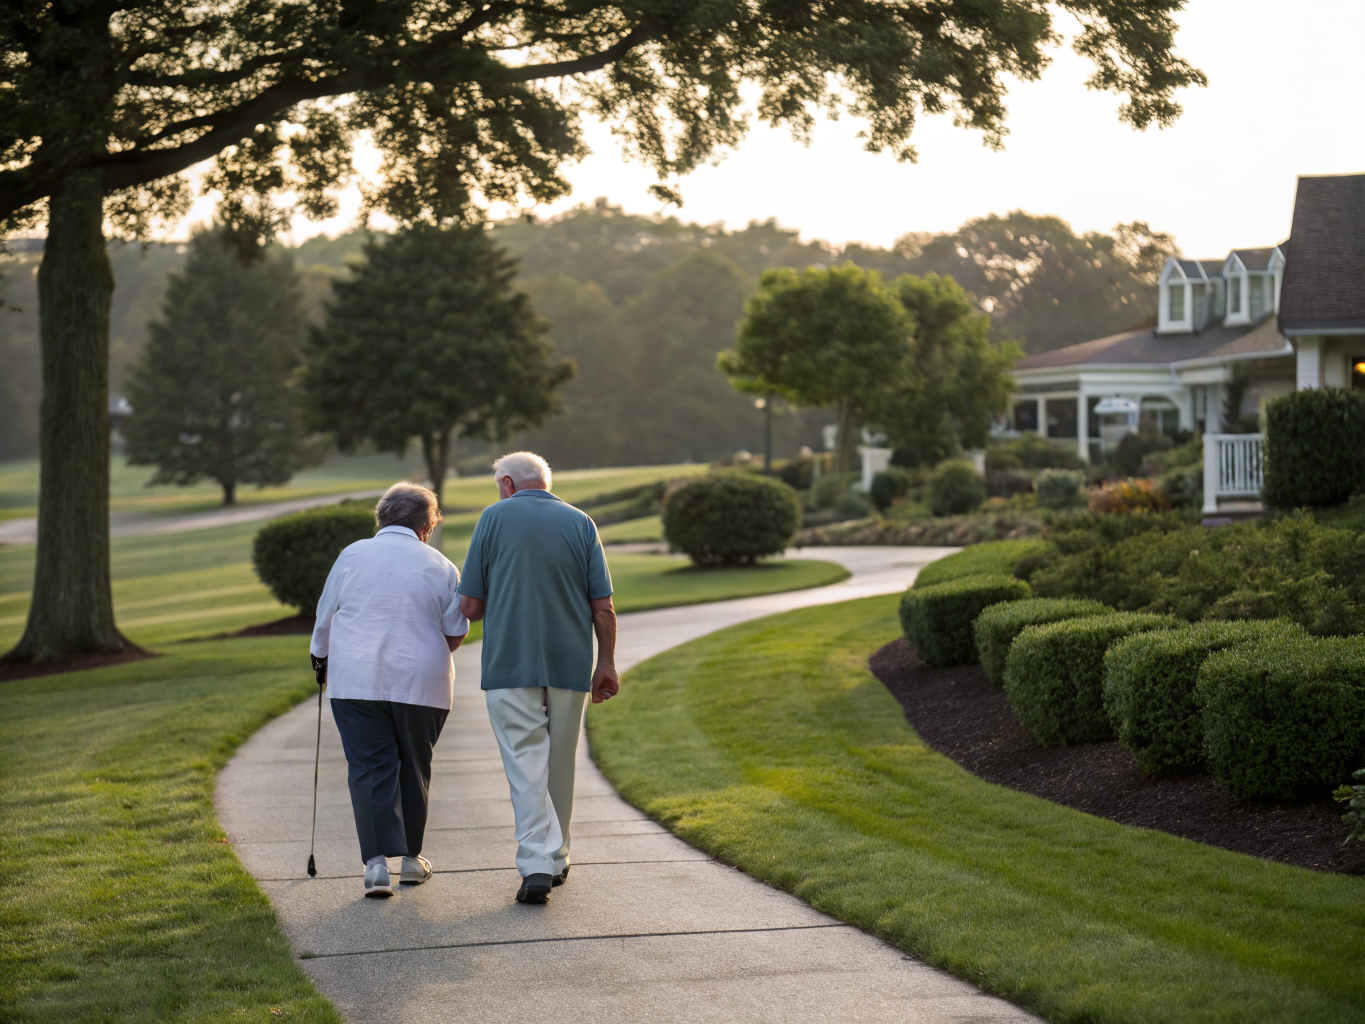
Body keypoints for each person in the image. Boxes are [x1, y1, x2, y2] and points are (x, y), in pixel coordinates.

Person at [458, 451, 619, 904]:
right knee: (560, 762)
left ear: (507, 483)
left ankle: (535, 866)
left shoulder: (493, 518)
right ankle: (558, 856)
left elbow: (470, 606)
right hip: (569, 666)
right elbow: (602, 607)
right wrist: (605, 664)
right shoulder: (581, 522)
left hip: (511, 663)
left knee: (526, 763)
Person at [310, 482, 469, 897]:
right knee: (414, 766)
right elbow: (455, 631)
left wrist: (320, 659)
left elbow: (324, 619)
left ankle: (377, 867)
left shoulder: (351, 555)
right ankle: (413, 861)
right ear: (427, 525)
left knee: (369, 768)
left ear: (381, 518)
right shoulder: (441, 565)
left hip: (356, 680)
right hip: (421, 681)